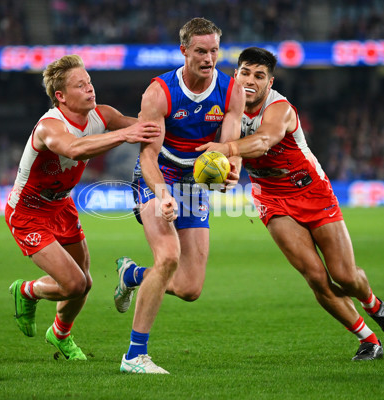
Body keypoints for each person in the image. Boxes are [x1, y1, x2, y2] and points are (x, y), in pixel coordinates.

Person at [196, 47, 384, 361]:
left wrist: (224, 149)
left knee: (345, 275)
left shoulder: (278, 107)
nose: (251, 81)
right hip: (271, 198)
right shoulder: (224, 105)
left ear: (270, 82)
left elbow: (263, 141)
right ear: (235, 74)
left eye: (259, 75)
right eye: (245, 73)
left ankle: (373, 304)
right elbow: (235, 148)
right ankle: (368, 340)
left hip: (312, 192)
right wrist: (230, 170)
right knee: (315, 277)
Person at [5, 54, 160, 361]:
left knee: (85, 282)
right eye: (80, 85)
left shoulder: (101, 116)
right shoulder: (50, 126)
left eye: (89, 81)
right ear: (60, 96)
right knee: (74, 283)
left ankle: (60, 334)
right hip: (28, 213)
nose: (90, 88)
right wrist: (124, 135)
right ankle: (26, 291)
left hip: (62, 206)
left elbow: (148, 129)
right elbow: (74, 149)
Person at [113, 17, 245, 374]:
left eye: (214, 50)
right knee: (168, 256)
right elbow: (148, 157)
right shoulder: (159, 93)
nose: (209, 58)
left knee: (189, 288)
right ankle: (134, 356)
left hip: (196, 183)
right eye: (200, 51)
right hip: (159, 177)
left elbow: (232, 146)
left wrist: (233, 168)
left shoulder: (232, 91)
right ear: (184, 50)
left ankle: (132, 275)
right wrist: (163, 195)